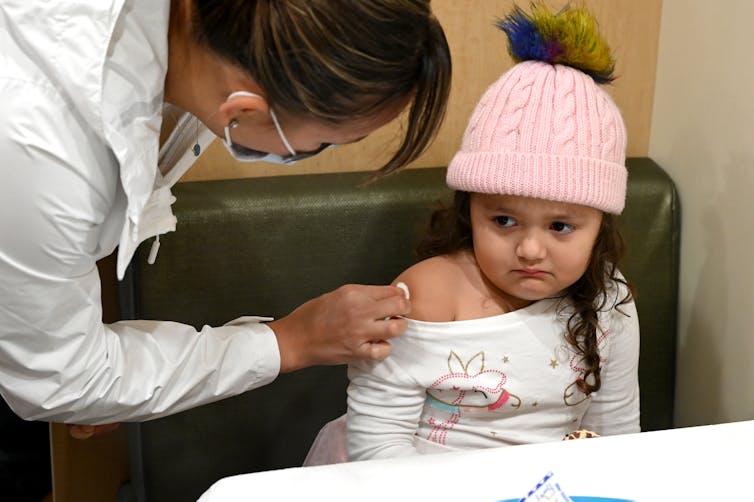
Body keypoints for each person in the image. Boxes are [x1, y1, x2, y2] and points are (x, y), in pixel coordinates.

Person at [0, 0, 451, 435]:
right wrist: (289, 342)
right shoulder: (46, 152)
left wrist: (120, 382)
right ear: (242, 110)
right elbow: (62, 378)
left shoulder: (193, 43)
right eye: (325, 142)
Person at [304, 3, 639, 464]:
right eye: (503, 220)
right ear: (469, 210)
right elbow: (379, 445)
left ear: (601, 224)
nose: (530, 249)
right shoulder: (427, 297)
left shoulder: (610, 299)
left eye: (561, 226)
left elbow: (614, 432)